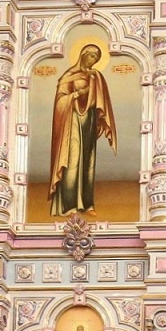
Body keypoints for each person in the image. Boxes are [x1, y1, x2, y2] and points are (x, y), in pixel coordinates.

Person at [49, 44, 117, 216]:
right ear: (83, 54)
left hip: (89, 120)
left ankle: (87, 204)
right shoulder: (69, 76)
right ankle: (69, 205)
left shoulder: (96, 76)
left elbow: (101, 99)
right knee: (73, 160)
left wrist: (95, 85)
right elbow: (60, 101)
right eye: (92, 56)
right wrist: (78, 94)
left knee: (88, 162)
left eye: (97, 58)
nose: (94, 60)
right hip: (71, 121)